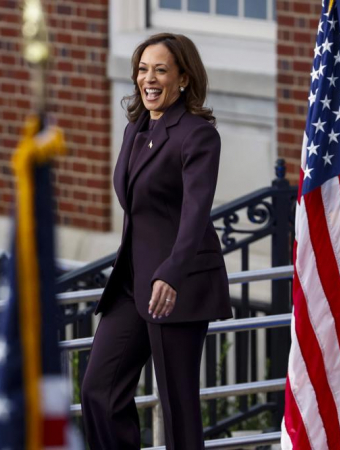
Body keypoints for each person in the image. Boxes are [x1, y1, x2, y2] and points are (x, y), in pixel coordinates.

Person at [80, 33, 233, 449]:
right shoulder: (136, 128)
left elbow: (195, 214)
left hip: (175, 286)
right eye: (143, 69)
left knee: (177, 406)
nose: (149, 78)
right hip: (132, 284)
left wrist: (171, 272)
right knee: (99, 390)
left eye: (160, 70)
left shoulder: (197, 135)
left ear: (183, 78)